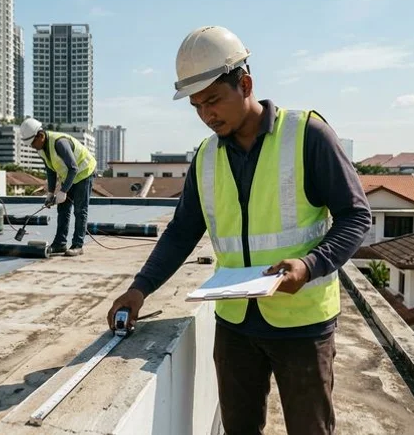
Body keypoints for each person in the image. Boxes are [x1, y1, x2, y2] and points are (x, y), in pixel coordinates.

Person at [107, 26, 371, 435]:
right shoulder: (206, 157)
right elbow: (181, 232)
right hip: (235, 323)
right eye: (197, 106)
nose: (206, 115)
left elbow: (355, 216)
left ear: (245, 84)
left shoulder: (307, 135)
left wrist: (309, 265)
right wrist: (140, 289)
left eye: (213, 100)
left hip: (302, 323)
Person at [20, 117, 97, 257]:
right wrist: (50, 193)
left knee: (80, 210)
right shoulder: (41, 149)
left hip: (84, 172)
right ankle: (60, 243)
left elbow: (73, 168)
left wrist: (63, 191)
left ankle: (78, 245)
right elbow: (50, 170)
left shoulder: (59, 143)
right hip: (69, 176)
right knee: (63, 209)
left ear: (40, 135)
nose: (32, 146)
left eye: (33, 143)